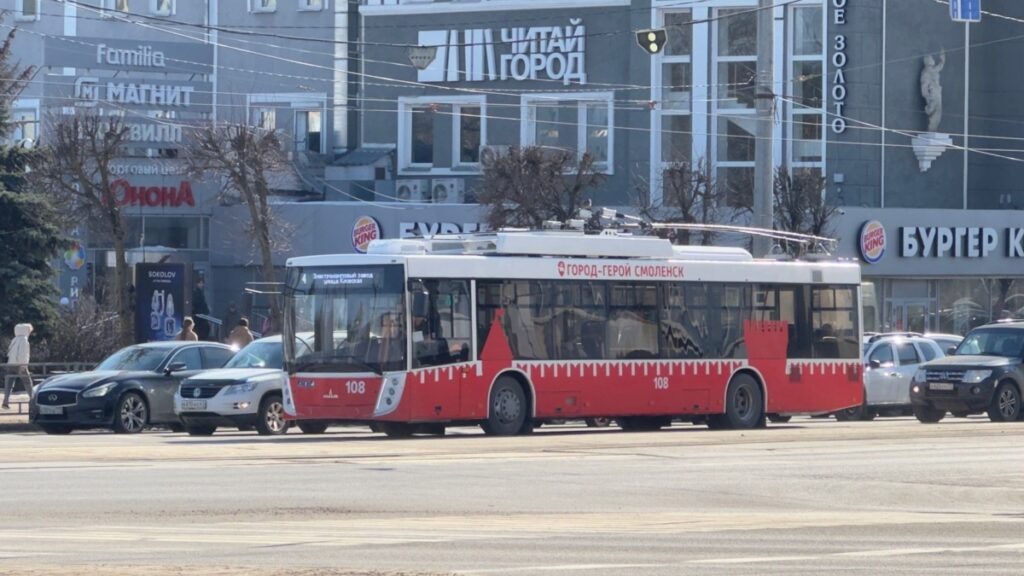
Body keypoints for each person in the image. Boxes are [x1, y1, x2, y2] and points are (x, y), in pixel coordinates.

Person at [3, 323, 33, 409]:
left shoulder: (14, 339)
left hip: (11, 364)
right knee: (28, 383)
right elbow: (23, 354)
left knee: (9, 383)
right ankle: (33, 399)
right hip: (20, 364)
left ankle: (6, 401)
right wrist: (23, 365)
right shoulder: (24, 340)